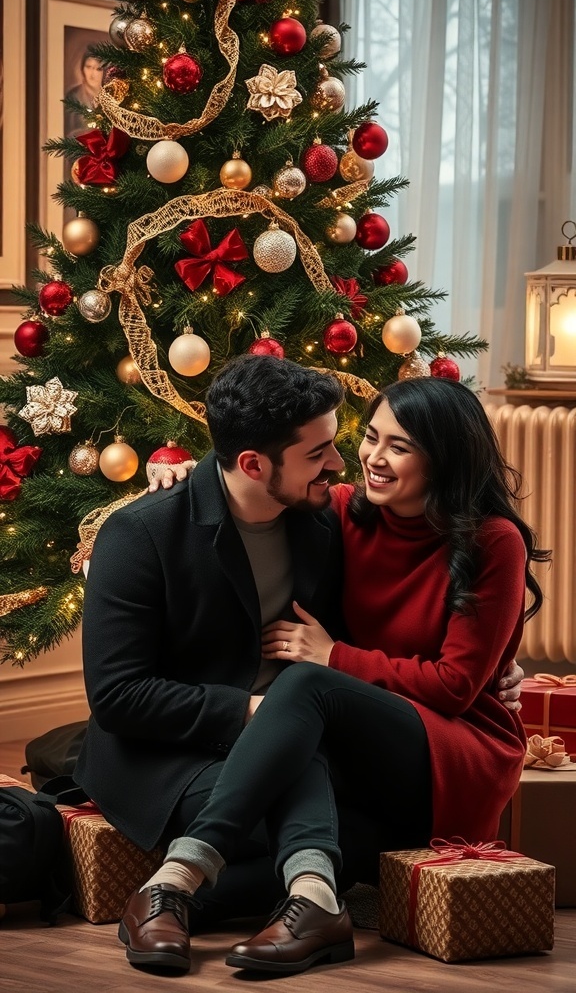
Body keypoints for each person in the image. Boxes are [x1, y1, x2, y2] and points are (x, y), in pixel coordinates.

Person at [78, 358, 531, 976]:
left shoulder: (471, 535)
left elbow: (457, 676)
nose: (355, 459)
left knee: (309, 686)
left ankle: (177, 879)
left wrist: (342, 657)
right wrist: (191, 474)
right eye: (368, 437)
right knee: (341, 820)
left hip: (448, 747)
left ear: (443, 460)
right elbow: (120, 689)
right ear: (253, 464)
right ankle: (311, 900)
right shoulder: (343, 511)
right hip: (336, 737)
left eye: (398, 446)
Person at [64, 51, 104, 139]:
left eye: (98, 69)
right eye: (89, 67)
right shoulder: (73, 96)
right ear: (82, 69)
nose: (92, 74)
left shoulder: (112, 97)